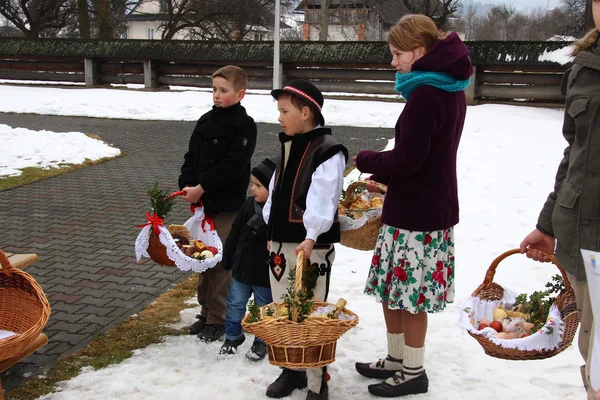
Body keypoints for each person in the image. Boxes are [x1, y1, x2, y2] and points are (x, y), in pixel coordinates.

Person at [352, 14, 472, 398]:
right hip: (424, 204)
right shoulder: (448, 87)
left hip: (418, 215)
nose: (394, 63)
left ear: (420, 51)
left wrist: (369, 160)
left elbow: (409, 159)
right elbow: (428, 154)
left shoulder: (425, 95)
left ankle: (413, 370)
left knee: (410, 296)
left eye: (397, 54)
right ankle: (396, 358)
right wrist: (386, 177)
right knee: (395, 291)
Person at [519, 4, 600, 398]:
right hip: (585, 242)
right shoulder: (584, 68)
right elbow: (575, 155)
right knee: (596, 355)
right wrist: (548, 223)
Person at [263, 79, 348, 400]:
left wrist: (311, 236)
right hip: (280, 245)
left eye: (285, 111)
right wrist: (269, 230)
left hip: (309, 246)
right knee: (284, 309)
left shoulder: (327, 150)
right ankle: (292, 369)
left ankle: (317, 380)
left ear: (307, 112)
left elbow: (324, 198)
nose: (279, 117)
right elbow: (275, 192)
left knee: (310, 310)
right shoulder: (289, 143)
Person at [179, 65, 257, 342]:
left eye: (223, 90)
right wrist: (187, 184)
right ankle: (205, 311)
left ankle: (220, 318)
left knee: (221, 262)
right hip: (202, 203)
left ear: (240, 94)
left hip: (225, 204)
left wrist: (203, 187)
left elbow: (233, 166)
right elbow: (191, 157)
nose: (216, 95)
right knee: (202, 257)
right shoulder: (204, 121)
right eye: (214, 89)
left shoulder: (244, 125)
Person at [219, 157, 277, 361]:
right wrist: (228, 256)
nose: (253, 189)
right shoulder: (248, 205)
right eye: (253, 184)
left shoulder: (278, 214)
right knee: (235, 304)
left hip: (264, 275)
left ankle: (262, 341)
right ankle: (233, 337)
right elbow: (235, 232)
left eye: (259, 185)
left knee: (264, 309)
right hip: (242, 270)